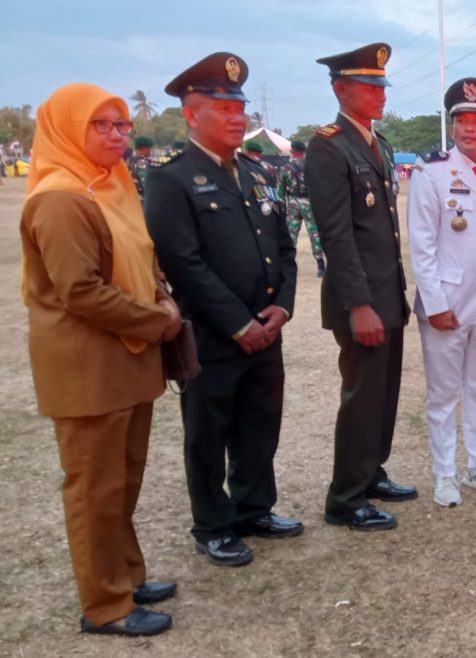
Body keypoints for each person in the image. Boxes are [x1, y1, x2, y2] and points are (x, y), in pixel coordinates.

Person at [21, 83, 183, 637]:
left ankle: (126, 576)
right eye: (102, 125)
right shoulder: (62, 197)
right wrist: (158, 321)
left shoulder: (111, 186)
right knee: (95, 488)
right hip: (88, 366)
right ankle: (105, 605)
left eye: (121, 124)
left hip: (128, 360)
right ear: (69, 129)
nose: (118, 135)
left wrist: (162, 295)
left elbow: (142, 259)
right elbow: (80, 292)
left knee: (123, 480)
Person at [146, 52, 303, 566]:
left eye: (239, 108)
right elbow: (184, 264)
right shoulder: (171, 181)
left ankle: (254, 508)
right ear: (192, 115)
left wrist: (282, 309)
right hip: (214, 335)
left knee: (261, 422)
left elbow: (284, 247)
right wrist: (237, 323)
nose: (237, 118)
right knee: (209, 430)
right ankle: (213, 523)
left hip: (266, 328)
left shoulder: (256, 172)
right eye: (223, 108)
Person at [305, 42, 415, 531]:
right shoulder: (329, 146)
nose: (380, 95)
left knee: (385, 392)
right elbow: (337, 234)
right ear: (340, 88)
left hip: (387, 294)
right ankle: (345, 497)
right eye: (370, 87)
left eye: (381, 86)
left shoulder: (377, 143)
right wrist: (358, 304)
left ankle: (371, 473)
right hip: (362, 303)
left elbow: (383, 232)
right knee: (362, 394)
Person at [408, 78, 476, 507]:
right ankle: (444, 473)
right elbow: (423, 244)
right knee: (442, 393)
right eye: (462, 121)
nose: (469, 128)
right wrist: (434, 304)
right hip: (447, 302)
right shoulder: (430, 171)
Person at [279, 140, 326, 277]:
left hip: (293, 202)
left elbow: (280, 192)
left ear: (292, 150)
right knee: (314, 233)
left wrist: (282, 210)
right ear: (304, 151)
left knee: (291, 234)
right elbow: (320, 188)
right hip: (309, 202)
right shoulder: (312, 167)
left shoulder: (285, 168)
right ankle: (320, 266)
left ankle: (288, 265)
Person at [126, 135, 155, 200]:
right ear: (144, 149)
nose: (150, 151)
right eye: (150, 148)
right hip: (140, 198)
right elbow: (145, 182)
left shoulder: (130, 159)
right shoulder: (141, 162)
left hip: (130, 196)